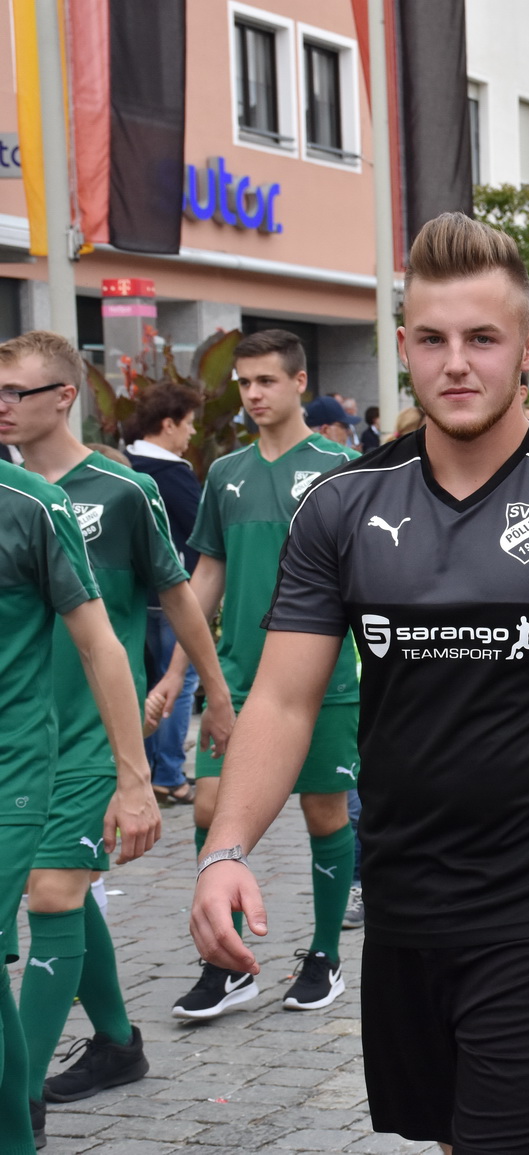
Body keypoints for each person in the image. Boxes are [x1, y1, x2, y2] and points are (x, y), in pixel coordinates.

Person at [189, 212, 529, 1151]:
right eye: (432, 340)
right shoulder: (343, 504)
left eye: (483, 338)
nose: (457, 363)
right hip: (403, 895)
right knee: (448, 1135)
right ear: (403, 349)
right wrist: (225, 848)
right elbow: (283, 698)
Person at [0, 331, 229, 1143]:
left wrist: (207, 691)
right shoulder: (14, 496)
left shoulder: (123, 491)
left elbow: (178, 593)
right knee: (63, 889)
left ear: (63, 397)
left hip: (96, 731)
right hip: (30, 724)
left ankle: (21, 1093)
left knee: (53, 892)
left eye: (16, 391)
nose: (2, 406)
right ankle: (117, 1040)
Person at [163, 329, 363, 1020]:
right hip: (239, 678)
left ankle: (324, 956)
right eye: (244, 382)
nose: (252, 394)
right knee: (211, 810)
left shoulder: (342, 466)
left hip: (325, 679)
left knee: (324, 812)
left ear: (299, 382)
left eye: (266, 381)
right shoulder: (225, 473)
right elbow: (206, 577)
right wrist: (176, 673)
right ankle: (226, 963)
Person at [0, 452, 162, 1153]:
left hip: (23, 764)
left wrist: (135, 777)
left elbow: (105, 642)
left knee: (54, 891)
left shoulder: (35, 504)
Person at [124, 383, 205, 806]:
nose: (191, 433)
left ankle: (151, 766)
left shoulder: (123, 465)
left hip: (136, 597)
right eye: (188, 424)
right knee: (180, 681)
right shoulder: (171, 473)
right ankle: (170, 774)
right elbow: (203, 532)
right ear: (168, 424)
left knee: (147, 682)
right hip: (176, 594)